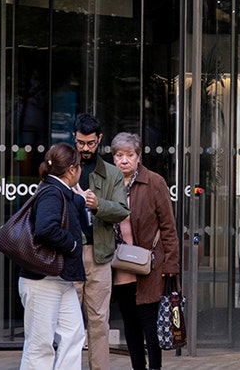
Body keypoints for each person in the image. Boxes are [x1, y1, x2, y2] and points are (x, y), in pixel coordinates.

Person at [111, 132, 180, 370]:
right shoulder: (110, 184)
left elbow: (168, 227)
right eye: (119, 155)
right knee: (129, 322)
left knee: (150, 322)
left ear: (138, 156)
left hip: (150, 265)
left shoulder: (154, 182)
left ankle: (155, 368)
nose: (124, 160)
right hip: (121, 265)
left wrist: (171, 264)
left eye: (129, 155)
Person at [17, 143, 87, 370]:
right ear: (71, 170)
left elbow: (71, 203)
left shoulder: (57, 191)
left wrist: (83, 199)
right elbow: (46, 228)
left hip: (58, 278)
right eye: (79, 166)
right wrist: (74, 245)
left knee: (73, 335)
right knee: (40, 346)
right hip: (42, 281)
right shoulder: (51, 193)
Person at [73, 114, 130, 370]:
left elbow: (121, 210)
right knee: (68, 324)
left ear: (100, 140)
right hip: (70, 254)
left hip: (100, 254)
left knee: (99, 323)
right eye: (80, 142)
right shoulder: (64, 167)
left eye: (90, 143)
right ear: (74, 138)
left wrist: (98, 205)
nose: (85, 148)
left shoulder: (112, 173)